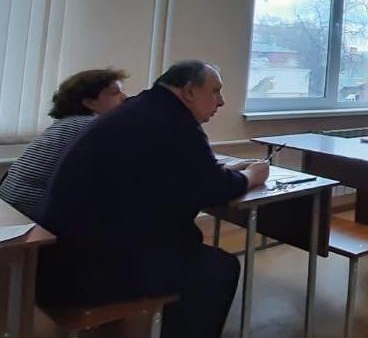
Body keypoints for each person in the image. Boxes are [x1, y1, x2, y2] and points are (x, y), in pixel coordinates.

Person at [38, 60, 269, 338]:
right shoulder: (176, 121)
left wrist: (223, 172)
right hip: (84, 273)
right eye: (215, 91)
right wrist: (252, 175)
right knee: (218, 269)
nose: (221, 101)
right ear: (189, 91)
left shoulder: (142, 109)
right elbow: (214, 188)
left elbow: (178, 174)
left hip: (59, 260)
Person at [0, 68, 129, 220]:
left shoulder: (65, 124)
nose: (125, 97)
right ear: (90, 102)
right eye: (115, 92)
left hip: (11, 204)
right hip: (33, 211)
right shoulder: (93, 125)